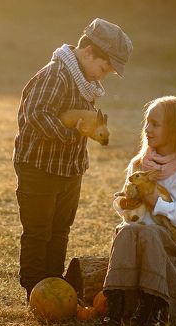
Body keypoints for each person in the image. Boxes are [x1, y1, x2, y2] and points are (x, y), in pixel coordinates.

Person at [13, 18, 133, 301]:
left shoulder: (85, 83)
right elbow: (37, 114)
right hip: (39, 167)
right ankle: (35, 289)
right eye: (104, 68)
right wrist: (71, 135)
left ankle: (54, 284)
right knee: (38, 230)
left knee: (60, 228)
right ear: (89, 52)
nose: (102, 76)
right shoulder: (56, 75)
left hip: (69, 169)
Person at [103, 95, 176, 326]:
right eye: (146, 122)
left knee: (148, 233)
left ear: (175, 130)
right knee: (127, 230)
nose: (147, 128)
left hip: (167, 238)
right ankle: (117, 305)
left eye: (155, 124)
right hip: (138, 235)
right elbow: (124, 200)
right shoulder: (139, 164)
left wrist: (157, 204)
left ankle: (155, 306)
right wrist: (124, 205)